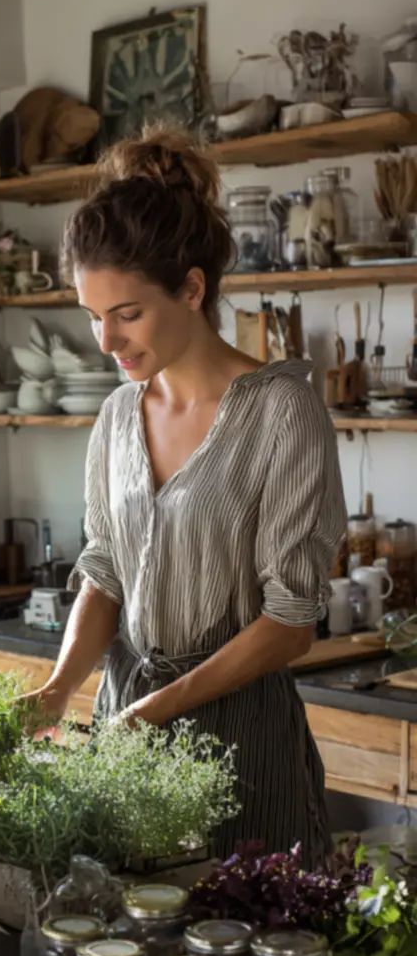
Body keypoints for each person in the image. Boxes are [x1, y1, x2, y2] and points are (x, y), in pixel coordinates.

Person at [25, 126, 346, 865]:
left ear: (192, 289)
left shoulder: (280, 412)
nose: (106, 341)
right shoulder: (115, 416)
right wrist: (59, 687)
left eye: (127, 313)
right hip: (127, 731)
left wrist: (153, 710)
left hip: (241, 748)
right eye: (92, 316)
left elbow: (291, 623)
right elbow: (105, 569)